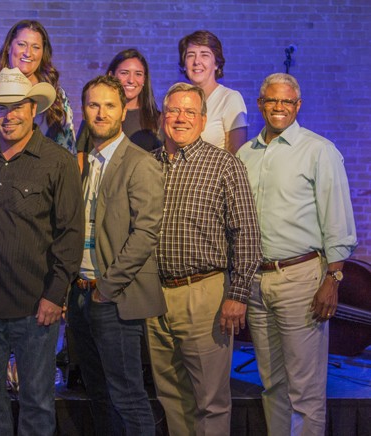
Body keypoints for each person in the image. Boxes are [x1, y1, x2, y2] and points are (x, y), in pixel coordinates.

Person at [0, 67, 84, 436]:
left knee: (38, 399)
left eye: (17, 107)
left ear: (33, 109)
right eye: (0, 108)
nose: (8, 116)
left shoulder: (58, 162)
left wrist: (54, 295)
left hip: (34, 306)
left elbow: (70, 234)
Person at [237, 73, 357, 435]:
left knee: (305, 390)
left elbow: (337, 219)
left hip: (301, 278)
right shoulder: (245, 154)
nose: (278, 108)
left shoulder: (318, 150)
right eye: (272, 101)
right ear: (260, 104)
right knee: (272, 383)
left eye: (286, 102)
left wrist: (332, 279)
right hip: (257, 281)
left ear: (298, 106)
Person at [147, 82, 262, 435]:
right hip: (154, 296)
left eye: (189, 112)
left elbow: (246, 233)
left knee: (210, 401)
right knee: (171, 395)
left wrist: (237, 294)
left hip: (205, 293)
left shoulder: (224, 165)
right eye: (174, 111)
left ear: (203, 119)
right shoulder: (148, 164)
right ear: (163, 116)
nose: (180, 118)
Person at [65, 75, 166, 435]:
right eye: (93, 105)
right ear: (84, 110)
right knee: (99, 395)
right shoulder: (82, 163)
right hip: (79, 291)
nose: (101, 112)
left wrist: (107, 288)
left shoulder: (140, 163)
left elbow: (146, 233)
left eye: (110, 105)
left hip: (113, 296)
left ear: (123, 112)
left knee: (128, 397)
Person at [0, 19, 76, 154]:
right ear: (8, 47)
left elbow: (67, 149)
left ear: (43, 53)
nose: (28, 53)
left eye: (36, 47)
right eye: (21, 44)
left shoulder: (56, 95)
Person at [78, 48, 162, 154]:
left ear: (144, 79)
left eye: (138, 74)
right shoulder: (97, 113)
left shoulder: (157, 119)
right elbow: (80, 153)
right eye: (124, 73)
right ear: (111, 75)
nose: (131, 80)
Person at [178, 30, 247, 154]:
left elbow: (237, 156)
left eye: (204, 55)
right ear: (184, 64)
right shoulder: (178, 100)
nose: (196, 61)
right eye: (191, 55)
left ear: (216, 64)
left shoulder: (230, 99)